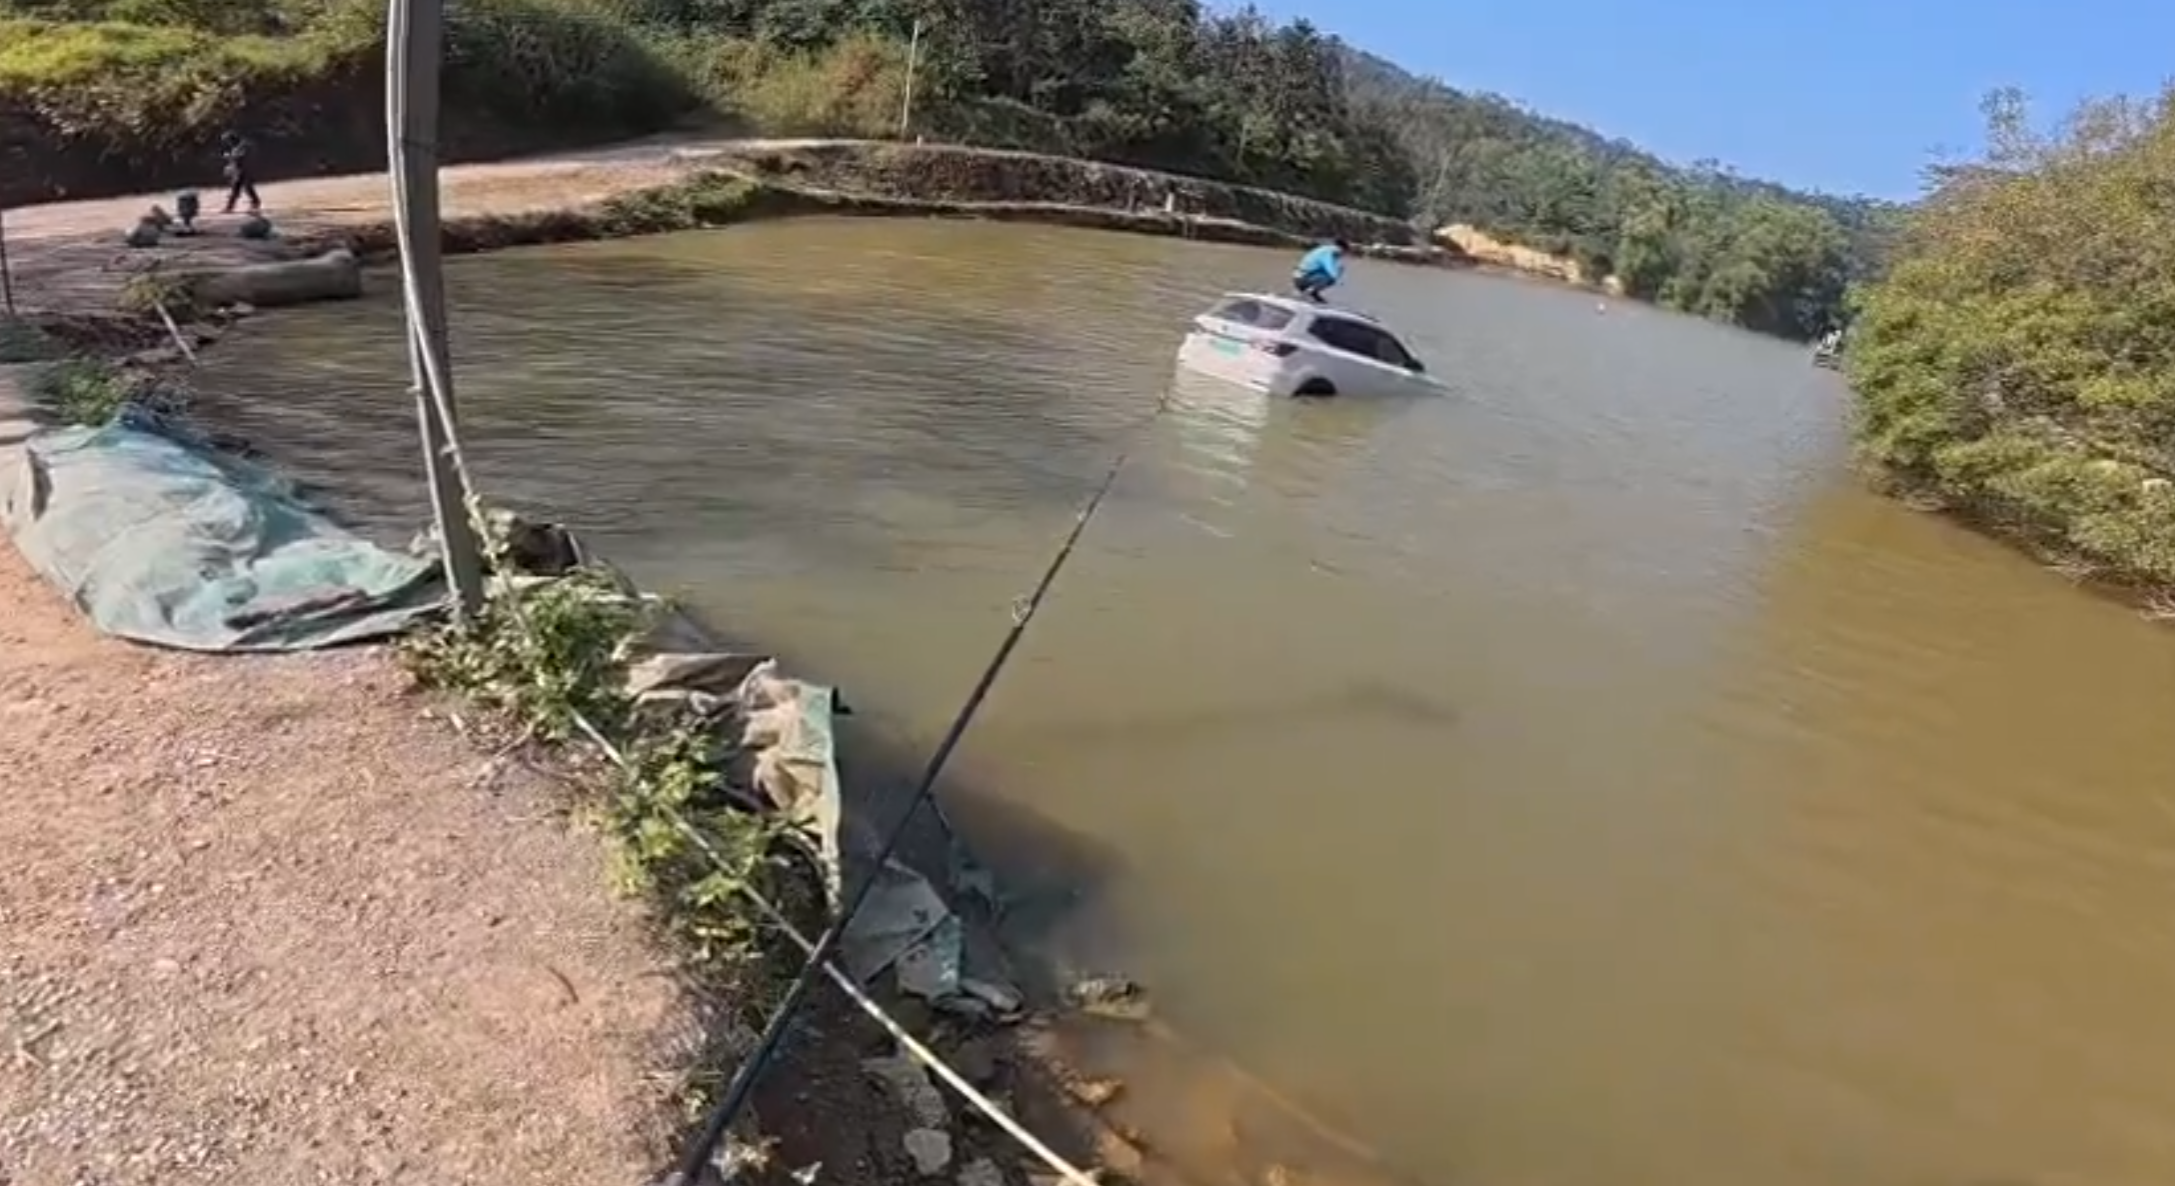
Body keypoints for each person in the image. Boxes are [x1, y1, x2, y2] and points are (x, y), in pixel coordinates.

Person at [1291, 238, 1349, 303]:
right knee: (1330, 278)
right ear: (1340, 248)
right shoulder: (1328, 252)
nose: (1342, 254)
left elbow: (1332, 268)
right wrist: (1337, 279)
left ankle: (1312, 293)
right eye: (1343, 252)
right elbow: (1329, 267)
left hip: (1303, 277)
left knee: (1331, 275)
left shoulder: (1329, 251)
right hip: (1301, 278)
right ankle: (1305, 294)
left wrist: (1339, 271)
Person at [220, 130, 261, 215]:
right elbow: (236, 159)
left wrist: (230, 156)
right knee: (238, 188)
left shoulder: (243, 145)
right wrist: (230, 166)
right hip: (240, 170)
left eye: (227, 141)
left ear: (232, 139)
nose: (227, 143)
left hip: (245, 170)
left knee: (245, 188)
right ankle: (230, 207)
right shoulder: (237, 146)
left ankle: (254, 204)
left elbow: (241, 157)